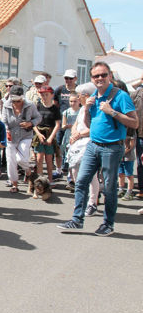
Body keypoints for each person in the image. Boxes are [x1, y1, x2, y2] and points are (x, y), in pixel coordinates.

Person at [58, 62, 138, 236]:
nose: (100, 78)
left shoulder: (120, 96)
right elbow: (88, 125)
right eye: (96, 76)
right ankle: (77, 220)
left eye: (103, 75)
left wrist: (113, 112)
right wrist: (86, 109)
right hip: (93, 145)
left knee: (109, 187)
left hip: (112, 147)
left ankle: (108, 224)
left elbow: (135, 122)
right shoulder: (94, 95)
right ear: (92, 79)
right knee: (80, 181)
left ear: (110, 76)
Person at [66, 83, 99, 214]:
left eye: (80, 96)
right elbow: (76, 124)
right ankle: (81, 201)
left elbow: (95, 129)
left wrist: (80, 134)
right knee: (75, 172)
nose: (78, 98)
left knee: (91, 175)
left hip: (89, 143)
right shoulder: (82, 109)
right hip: (77, 143)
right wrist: (74, 133)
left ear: (86, 96)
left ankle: (92, 203)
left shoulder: (94, 109)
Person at [1, 85, 41, 193]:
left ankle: (28, 170)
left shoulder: (30, 105)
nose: (15, 103)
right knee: (11, 160)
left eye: (18, 100)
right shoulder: (6, 105)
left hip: (25, 135)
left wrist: (30, 123)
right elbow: (3, 121)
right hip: (11, 136)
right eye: (13, 100)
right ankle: (14, 183)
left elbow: (38, 117)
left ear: (22, 98)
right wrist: (6, 130)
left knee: (21, 159)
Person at [33, 85, 61, 184]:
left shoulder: (55, 109)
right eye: (42, 95)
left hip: (50, 134)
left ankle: (50, 180)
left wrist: (51, 138)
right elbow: (33, 123)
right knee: (39, 158)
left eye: (46, 95)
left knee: (49, 159)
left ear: (52, 95)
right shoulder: (37, 107)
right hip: (39, 135)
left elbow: (57, 125)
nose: (44, 97)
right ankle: (40, 180)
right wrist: (38, 134)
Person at [54, 69, 79, 176]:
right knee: (59, 145)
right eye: (66, 78)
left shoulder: (79, 89)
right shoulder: (60, 89)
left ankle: (70, 170)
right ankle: (59, 169)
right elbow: (55, 105)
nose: (68, 80)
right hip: (62, 122)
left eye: (70, 78)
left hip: (76, 123)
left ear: (75, 79)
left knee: (73, 146)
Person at [61, 92, 80, 188]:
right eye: (71, 101)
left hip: (79, 136)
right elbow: (63, 126)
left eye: (74, 101)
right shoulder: (66, 112)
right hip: (69, 135)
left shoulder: (82, 111)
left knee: (78, 159)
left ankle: (76, 178)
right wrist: (67, 126)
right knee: (69, 157)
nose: (72, 103)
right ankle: (70, 178)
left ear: (79, 101)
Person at [118, 128, 136, 201]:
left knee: (129, 175)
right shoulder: (119, 130)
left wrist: (123, 152)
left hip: (128, 157)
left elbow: (131, 145)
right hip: (119, 157)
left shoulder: (131, 131)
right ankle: (121, 189)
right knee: (120, 173)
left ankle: (129, 191)